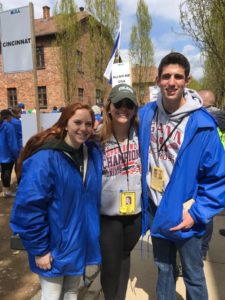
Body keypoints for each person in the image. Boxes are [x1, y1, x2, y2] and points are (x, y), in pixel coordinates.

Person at [139, 52, 225, 300]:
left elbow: (218, 179)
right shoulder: (147, 115)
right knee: (164, 270)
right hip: (157, 208)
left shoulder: (203, 124)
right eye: (166, 76)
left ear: (187, 80)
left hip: (187, 214)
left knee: (193, 275)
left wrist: (196, 213)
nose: (171, 82)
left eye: (178, 76)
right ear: (158, 80)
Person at [10, 103, 102, 300]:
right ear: (65, 123)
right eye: (77, 122)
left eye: (88, 123)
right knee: (51, 296)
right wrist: (40, 250)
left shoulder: (90, 154)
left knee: (71, 293)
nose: (83, 128)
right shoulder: (45, 159)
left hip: (77, 245)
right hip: (53, 248)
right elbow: (28, 209)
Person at [98, 84, 148, 300]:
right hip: (108, 216)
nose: (124, 108)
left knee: (125, 256)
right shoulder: (96, 139)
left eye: (129, 104)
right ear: (109, 107)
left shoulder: (141, 135)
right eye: (119, 103)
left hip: (134, 214)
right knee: (110, 265)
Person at [198, 89, 224, 258]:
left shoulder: (205, 120)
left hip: (208, 169)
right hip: (219, 171)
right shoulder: (222, 118)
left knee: (203, 211)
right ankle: (204, 249)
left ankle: (200, 250)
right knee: (210, 212)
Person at [0, 109, 19, 197]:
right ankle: (7, 191)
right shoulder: (9, 126)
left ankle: (5, 190)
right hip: (7, 154)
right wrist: (16, 155)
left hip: (2, 153)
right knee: (7, 171)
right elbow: (12, 143)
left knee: (3, 171)